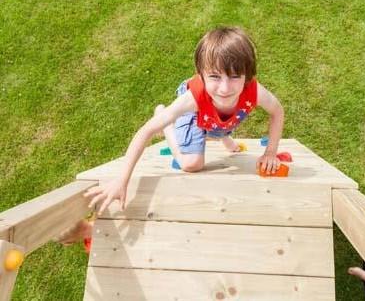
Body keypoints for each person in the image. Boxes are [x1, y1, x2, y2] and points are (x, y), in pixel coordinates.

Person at [84, 26, 285, 215]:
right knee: (192, 163)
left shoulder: (254, 92)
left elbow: (277, 111)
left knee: (222, 119)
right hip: (196, 112)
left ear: (247, 76)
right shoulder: (192, 99)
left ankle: (223, 137)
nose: (225, 88)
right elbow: (145, 131)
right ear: (201, 75)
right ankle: (169, 125)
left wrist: (270, 152)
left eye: (234, 76)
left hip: (214, 117)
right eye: (215, 76)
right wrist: (122, 180)